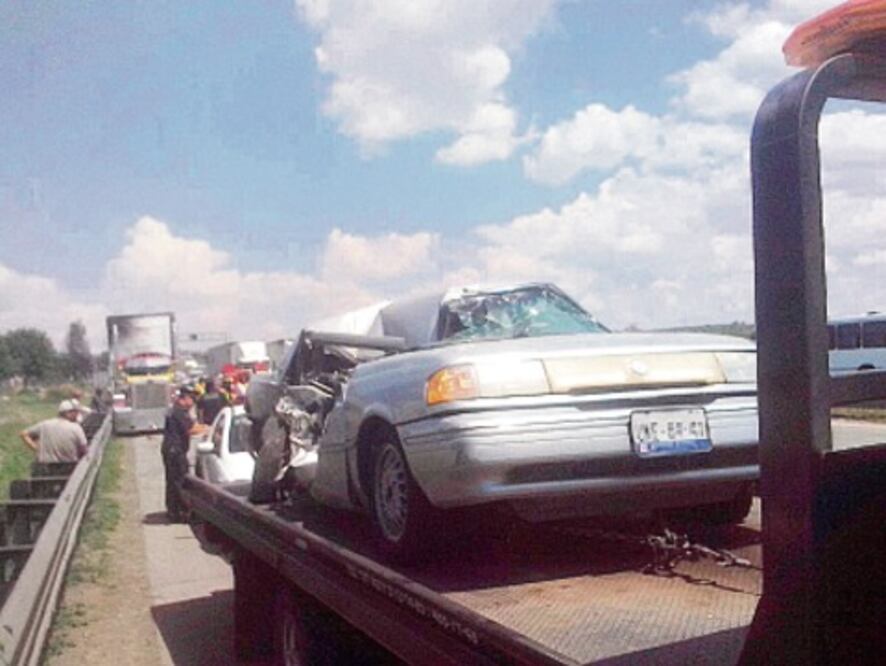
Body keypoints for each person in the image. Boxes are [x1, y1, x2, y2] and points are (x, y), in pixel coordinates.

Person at [161, 386, 205, 522]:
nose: (193, 403)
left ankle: (173, 511)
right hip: (175, 451)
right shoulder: (179, 412)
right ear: (184, 398)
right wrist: (209, 428)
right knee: (179, 481)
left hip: (171, 449)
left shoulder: (175, 410)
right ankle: (180, 513)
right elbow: (191, 429)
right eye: (192, 399)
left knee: (173, 481)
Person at [20, 400, 88, 463]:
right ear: (68, 413)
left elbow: (23, 434)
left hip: (44, 466)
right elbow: (84, 450)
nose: (77, 415)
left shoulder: (44, 424)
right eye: (76, 412)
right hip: (68, 466)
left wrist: (37, 449)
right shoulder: (76, 428)